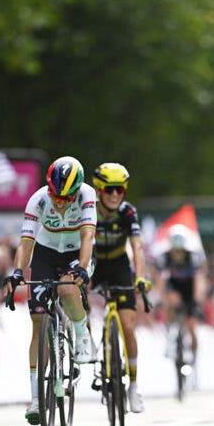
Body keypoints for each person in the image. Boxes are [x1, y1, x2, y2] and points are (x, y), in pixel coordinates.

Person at [3, 156, 97, 425]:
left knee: (68, 290)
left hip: (76, 252)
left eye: (67, 198)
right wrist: (18, 271)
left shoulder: (87, 195)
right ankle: (35, 399)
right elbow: (26, 242)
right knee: (37, 323)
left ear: (77, 191)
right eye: (57, 196)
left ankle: (81, 333)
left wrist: (82, 267)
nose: (59, 202)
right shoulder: (38, 200)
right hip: (46, 253)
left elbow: (88, 236)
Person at [89, 162, 151, 413]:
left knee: (128, 326)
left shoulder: (127, 212)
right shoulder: (88, 210)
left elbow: (137, 246)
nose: (115, 195)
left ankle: (134, 388)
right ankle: (88, 341)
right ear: (99, 190)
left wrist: (140, 276)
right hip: (93, 263)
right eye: (110, 190)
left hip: (118, 264)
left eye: (120, 190)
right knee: (74, 295)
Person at [155, 223, 205, 365]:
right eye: (174, 251)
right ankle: (170, 335)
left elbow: (198, 279)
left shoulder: (192, 256)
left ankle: (194, 354)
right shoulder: (164, 256)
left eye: (180, 251)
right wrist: (162, 298)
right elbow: (160, 279)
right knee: (171, 303)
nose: (177, 254)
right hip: (174, 286)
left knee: (191, 325)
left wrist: (196, 298)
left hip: (189, 288)